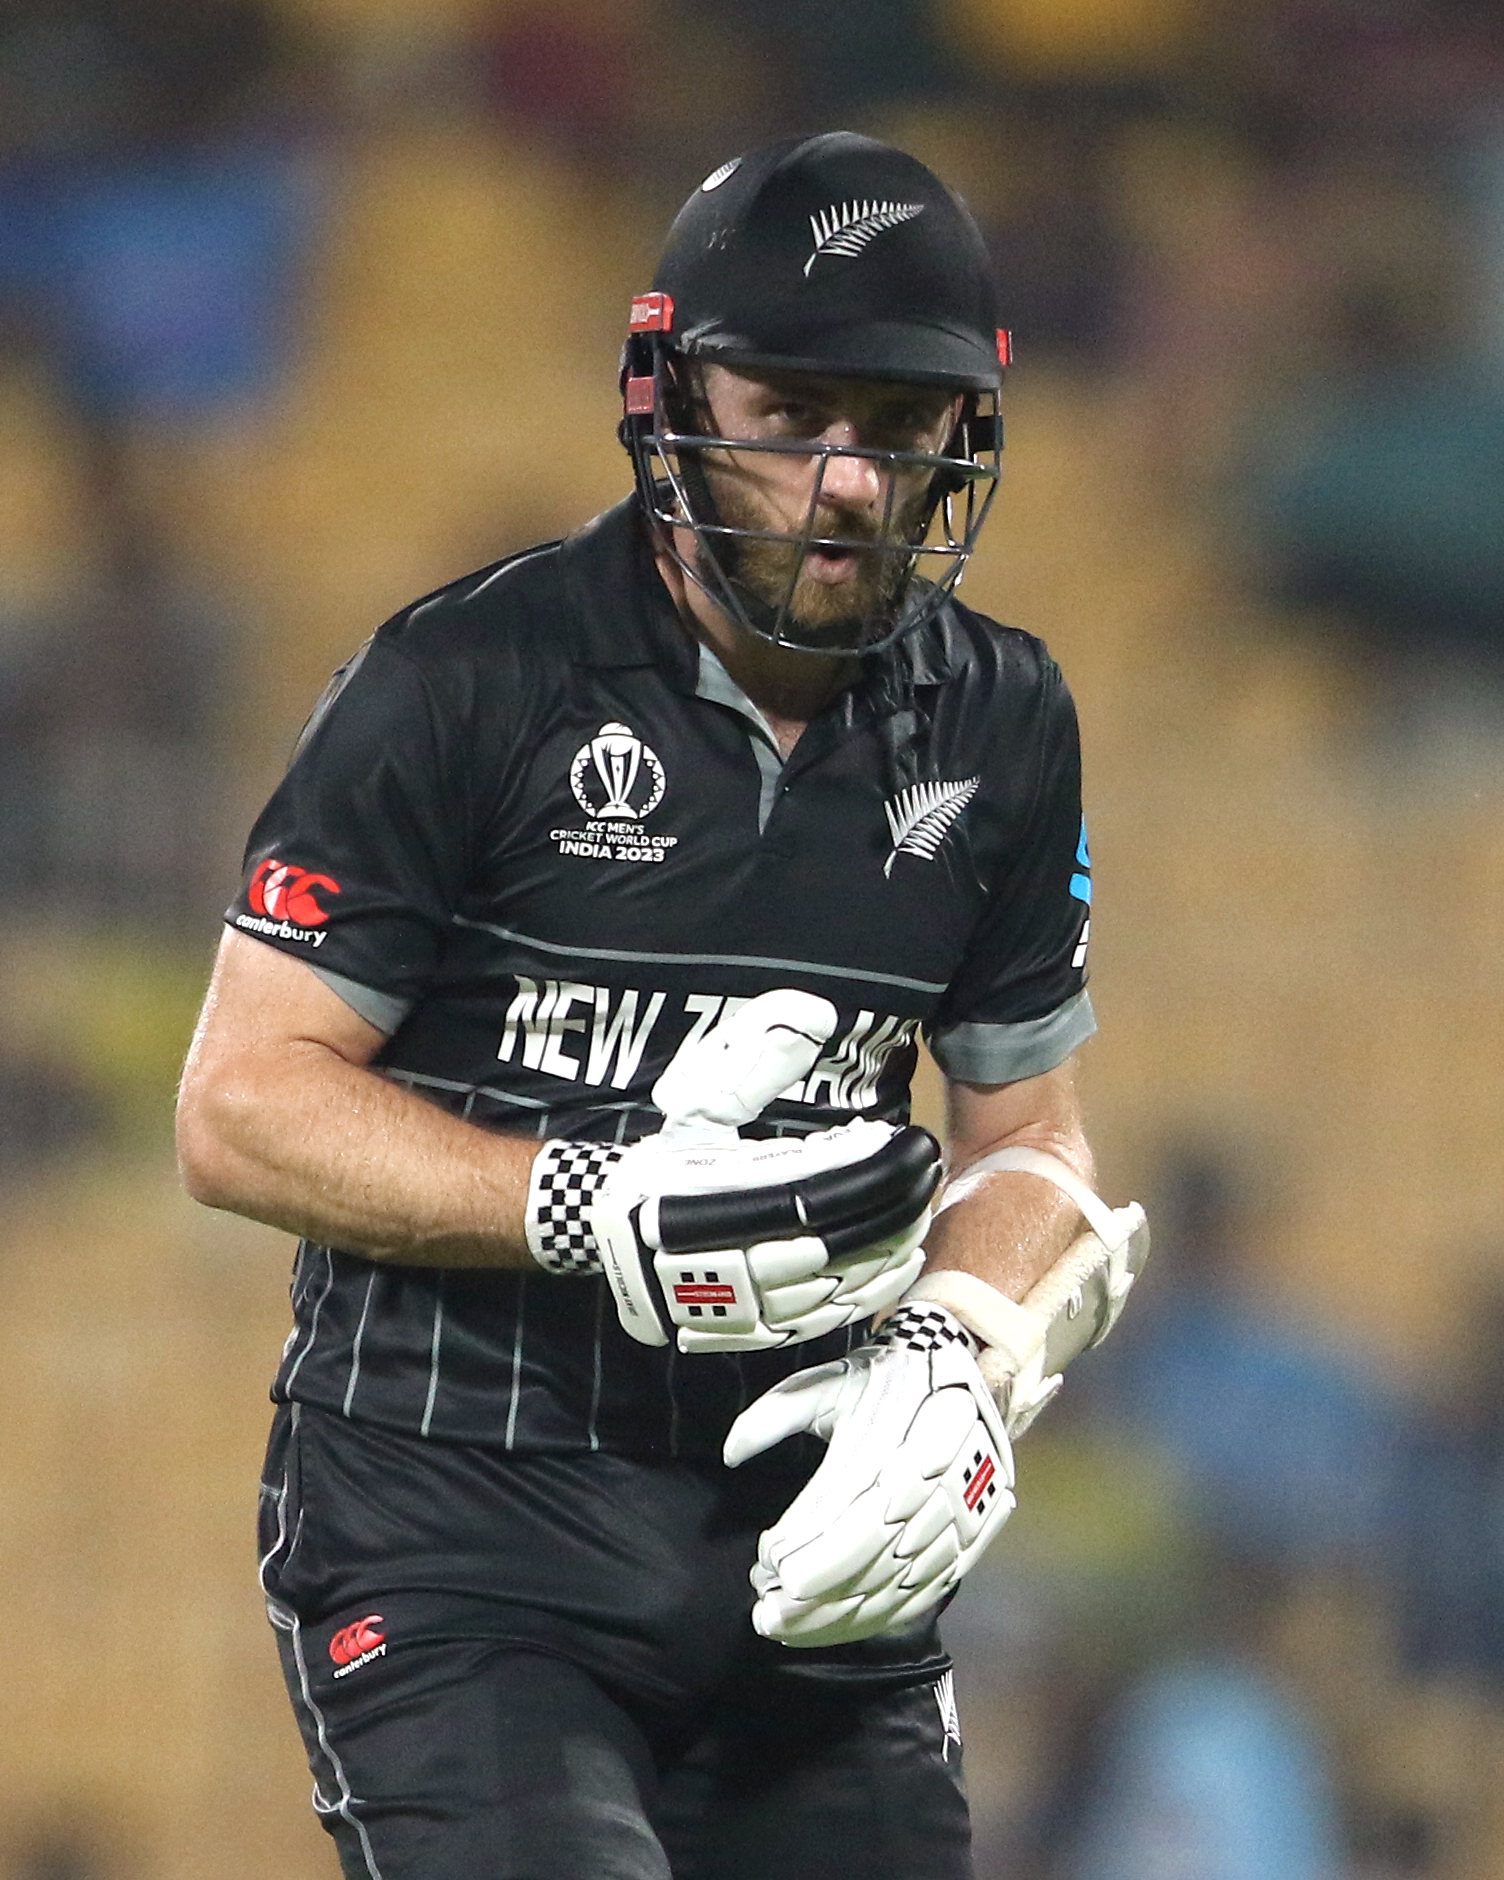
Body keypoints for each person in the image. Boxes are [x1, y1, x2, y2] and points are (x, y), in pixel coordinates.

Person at [177, 131, 1143, 1880]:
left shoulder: (1005, 723)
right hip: (458, 1532)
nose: (848, 483)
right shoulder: (465, 679)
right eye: (793, 414)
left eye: (899, 423)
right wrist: (585, 1200)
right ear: (674, 398)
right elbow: (239, 1108)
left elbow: (1034, 1141)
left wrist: (963, 1343)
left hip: (807, 1551)